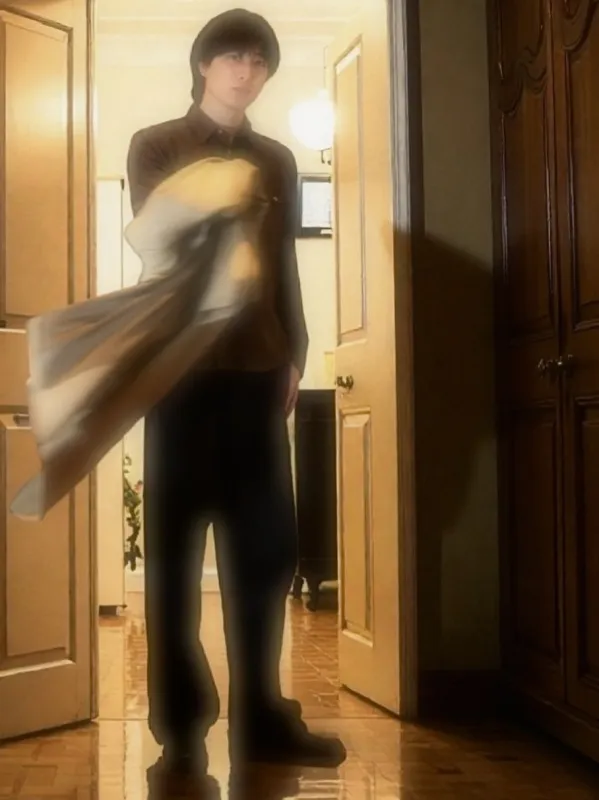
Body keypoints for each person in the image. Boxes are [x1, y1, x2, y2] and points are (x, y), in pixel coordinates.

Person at [126, 8, 346, 773]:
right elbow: (162, 239)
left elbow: (282, 265)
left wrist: (295, 352)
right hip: (179, 375)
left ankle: (261, 718)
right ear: (203, 64)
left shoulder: (278, 159)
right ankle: (181, 733)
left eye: (258, 60)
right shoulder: (155, 144)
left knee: (267, 552)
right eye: (232, 57)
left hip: (258, 373)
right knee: (175, 558)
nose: (245, 70)